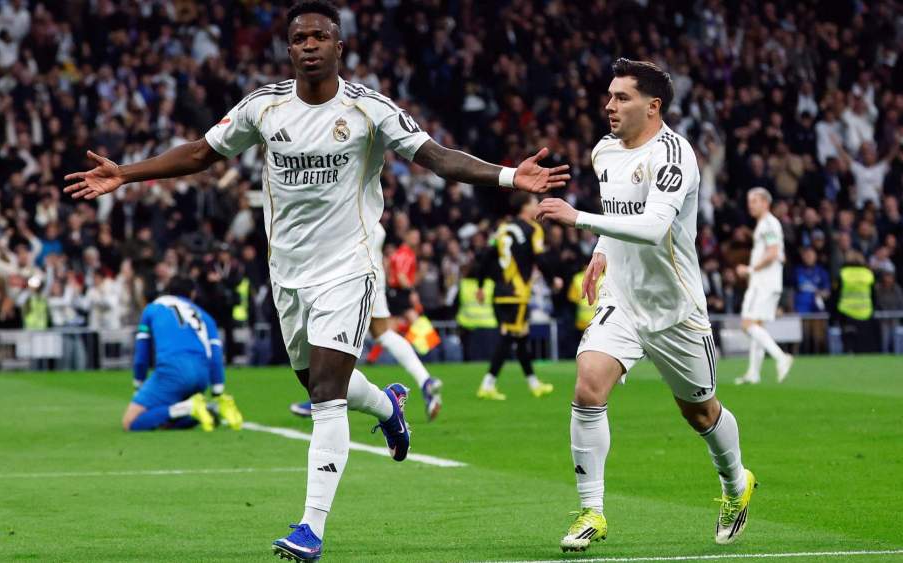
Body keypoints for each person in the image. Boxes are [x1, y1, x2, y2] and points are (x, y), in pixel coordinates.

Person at [62, 2, 569, 559]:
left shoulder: (369, 109)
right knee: (318, 383)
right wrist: (126, 174)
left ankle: (310, 527)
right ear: (288, 49)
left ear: (338, 47)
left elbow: (439, 158)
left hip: (347, 268)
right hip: (287, 272)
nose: (309, 45)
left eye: (319, 37)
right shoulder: (263, 107)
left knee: (327, 394)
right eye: (299, 37)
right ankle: (388, 407)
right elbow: (201, 153)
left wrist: (508, 176)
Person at [526, 58, 757, 551]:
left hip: (675, 309)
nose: (609, 105)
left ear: (652, 107)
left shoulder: (674, 155)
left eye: (622, 97)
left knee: (700, 412)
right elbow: (618, 215)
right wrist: (601, 251)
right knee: (589, 384)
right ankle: (592, 511)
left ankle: (736, 482)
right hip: (623, 300)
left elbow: (653, 227)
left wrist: (578, 220)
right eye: (609, 96)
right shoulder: (604, 151)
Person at [290, 223, 445, 421]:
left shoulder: (354, 213)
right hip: (372, 273)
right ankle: (425, 381)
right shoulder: (371, 217)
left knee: (337, 337)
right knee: (383, 334)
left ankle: (325, 396)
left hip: (356, 276)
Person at [123, 276, 243, 433]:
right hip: (201, 376)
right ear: (193, 293)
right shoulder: (205, 317)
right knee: (167, 423)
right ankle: (208, 408)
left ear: (168, 291)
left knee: (130, 421)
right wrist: (217, 392)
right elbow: (216, 356)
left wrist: (138, 385)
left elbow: (141, 355)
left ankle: (189, 407)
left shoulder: (152, 308)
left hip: (172, 372)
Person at [475, 192, 559, 400]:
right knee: (509, 337)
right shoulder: (533, 229)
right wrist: (552, 280)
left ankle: (534, 384)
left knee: (521, 338)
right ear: (525, 207)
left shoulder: (502, 229)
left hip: (499, 292)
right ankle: (487, 384)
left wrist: (480, 285)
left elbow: (486, 257)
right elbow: (540, 258)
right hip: (517, 294)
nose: (537, 207)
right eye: (534, 203)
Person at [735, 188, 794, 384]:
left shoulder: (768, 223)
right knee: (757, 325)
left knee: (747, 324)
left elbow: (773, 252)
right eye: (749, 201)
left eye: (755, 201)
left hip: (763, 282)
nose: (750, 205)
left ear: (766, 203)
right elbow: (778, 253)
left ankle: (781, 357)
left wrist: (750, 269)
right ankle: (753, 373)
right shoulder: (767, 224)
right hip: (770, 282)